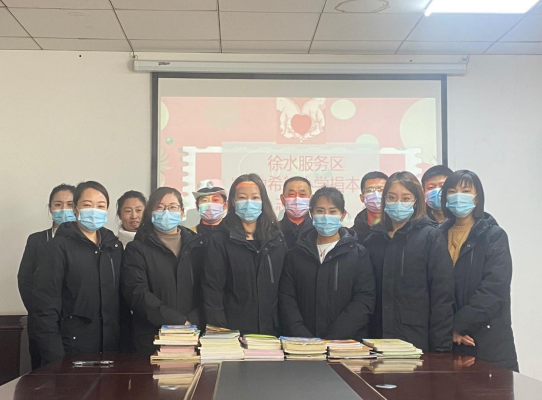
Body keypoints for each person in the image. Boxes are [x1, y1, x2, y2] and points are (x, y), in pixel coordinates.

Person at [32, 181, 123, 365]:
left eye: (101, 206)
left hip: (111, 349)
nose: (94, 211)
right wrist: (55, 358)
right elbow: (44, 308)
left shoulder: (114, 247)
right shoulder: (57, 247)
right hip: (72, 349)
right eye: (87, 205)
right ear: (75, 209)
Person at [364, 171, 455, 353]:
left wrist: (441, 350)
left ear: (416, 201)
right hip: (376, 338)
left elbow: (442, 296)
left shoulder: (430, 237)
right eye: (392, 197)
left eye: (406, 198)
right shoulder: (373, 240)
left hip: (417, 340)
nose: (398, 203)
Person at [439, 170, 518, 371]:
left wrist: (457, 326)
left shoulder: (493, 235)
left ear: (477, 197)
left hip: (488, 342)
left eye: (466, 191)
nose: (458, 196)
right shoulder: (436, 236)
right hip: (447, 343)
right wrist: (447, 329)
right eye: (452, 191)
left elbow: (494, 289)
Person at [279, 187, 375, 341]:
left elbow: (364, 299)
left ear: (342, 215)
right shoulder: (295, 255)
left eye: (332, 211)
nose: (326, 217)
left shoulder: (358, 254)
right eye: (320, 211)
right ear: (312, 214)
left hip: (345, 343)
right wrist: (304, 336)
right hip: (301, 344)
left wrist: (334, 337)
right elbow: (287, 299)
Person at [121, 187, 205, 355]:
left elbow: (209, 288)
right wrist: (179, 321)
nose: (166, 212)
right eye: (160, 207)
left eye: (173, 207)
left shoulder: (198, 246)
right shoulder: (137, 248)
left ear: (182, 212)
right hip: (152, 338)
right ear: (150, 213)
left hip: (194, 334)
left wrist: (193, 320)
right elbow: (137, 293)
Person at [203, 173, 286, 335]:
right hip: (233, 330)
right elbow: (212, 290)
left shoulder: (276, 239)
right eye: (242, 197)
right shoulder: (220, 240)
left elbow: (284, 289)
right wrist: (221, 331)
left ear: (263, 201)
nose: (249, 202)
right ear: (233, 202)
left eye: (255, 197)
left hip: (271, 332)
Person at [18, 184, 75, 370]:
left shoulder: (86, 242)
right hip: (41, 323)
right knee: (43, 376)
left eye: (70, 204)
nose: (64, 209)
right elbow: (25, 280)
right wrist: (40, 313)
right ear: (50, 208)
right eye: (58, 204)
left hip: (75, 326)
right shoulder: (36, 240)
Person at [351, 172, 388, 245]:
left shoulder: (399, 229)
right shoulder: (353, 235)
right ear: (362, 198)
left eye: (381, 189)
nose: (376, 194)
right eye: (370, 190)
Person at [279, 177, 313, 249]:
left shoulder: (318, 230)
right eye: (291, 194)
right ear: (282, 199)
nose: (297, 199)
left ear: (311, 199)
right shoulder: (273, 230)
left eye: (302, 194)